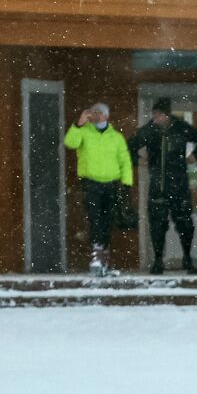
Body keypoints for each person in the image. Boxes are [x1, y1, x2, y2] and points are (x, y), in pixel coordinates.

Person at [128, 97, 197, 274]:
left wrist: (196, 156)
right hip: (158, 186)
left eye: (158, 114)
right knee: (157, 225)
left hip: (180, 185)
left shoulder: (181, 128)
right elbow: (129, 146)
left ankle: (187, 258)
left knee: (185, 224)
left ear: (166, 115)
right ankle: (158, 261)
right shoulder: (149, 131)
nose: (154, 118)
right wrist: (139, 159)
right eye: (153, 114)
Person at [64, 102, 133, 276]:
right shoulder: (83, 132)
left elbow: (124, 161)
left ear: (106, 116)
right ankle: (97, 253)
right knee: (94, 217)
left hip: (112, 183)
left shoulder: (116, 137)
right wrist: (78, 124)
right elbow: (70, 143)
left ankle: (105, 254)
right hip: (91, 183)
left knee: (108, 219)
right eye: (93, 113)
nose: (96, 116)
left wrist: (126, 184)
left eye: (99, 113)